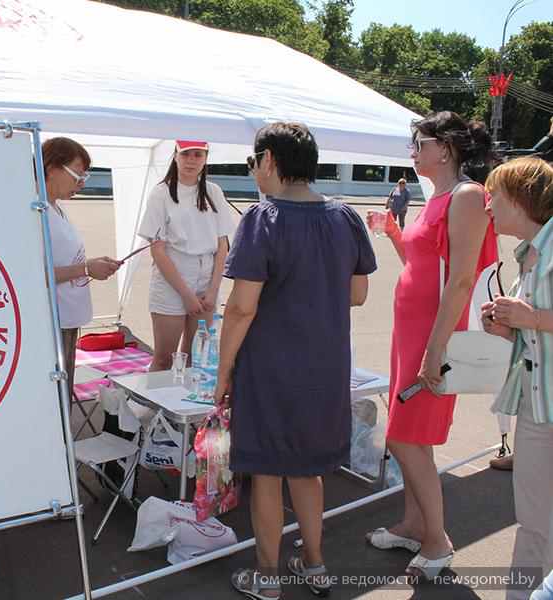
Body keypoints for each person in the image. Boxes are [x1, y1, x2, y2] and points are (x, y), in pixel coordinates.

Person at [215, 122, 376, 599]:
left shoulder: (262, 219)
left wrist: (223, 371)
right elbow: (358, 294)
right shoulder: (345, 217)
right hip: (326, 366)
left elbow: (241, 308)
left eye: (253, 161)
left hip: (271, 368)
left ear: (269, 160)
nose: (254, 171)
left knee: (267, 473)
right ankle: (314, 563)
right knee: (308, 470)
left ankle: (267, 578)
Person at [365, 111, 498, 580]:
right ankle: (414, 525)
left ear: (445, 148)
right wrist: (394, 232)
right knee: (412, 437)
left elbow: (461, 280)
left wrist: (435, 349)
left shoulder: (466, 196)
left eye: (419, 143)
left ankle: (437, 541)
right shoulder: (438, 196)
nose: (413, 152)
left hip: (433, 335)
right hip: (414, 334)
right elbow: (420, 265)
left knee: (405, 438)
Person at [480, 157, 553, 600]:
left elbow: (539, 320)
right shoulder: (529, 253)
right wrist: (511, 328)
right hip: (536, 404)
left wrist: (533, 318)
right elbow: (534, 336)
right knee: (533, 519)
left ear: (521, 199)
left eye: (495, 197)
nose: (488, 206)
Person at [137, 140, 234, 371]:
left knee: (196, 358)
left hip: (207, 278)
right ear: (176, 156)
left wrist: (213, 291)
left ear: (206, 158)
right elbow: (158, 250)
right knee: (164, 358)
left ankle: (185, 397)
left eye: (198, 155)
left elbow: (223, 245)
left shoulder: (214, 191)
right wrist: (187, 295)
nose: (191, 160)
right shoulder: (161, 193)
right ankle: (154, 396)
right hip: (172, 279)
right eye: (186, 154)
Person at [42, 137, 121, 390]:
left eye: (85, 176)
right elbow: (31, 273)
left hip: (66, 317)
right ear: (51, 168)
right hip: (49, 322)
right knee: (54, 392)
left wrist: (91, 265)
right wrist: (86, 268)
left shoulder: (55, 207)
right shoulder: (33, 210)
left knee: (64, 388)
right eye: (77, 175)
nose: (81, 183)